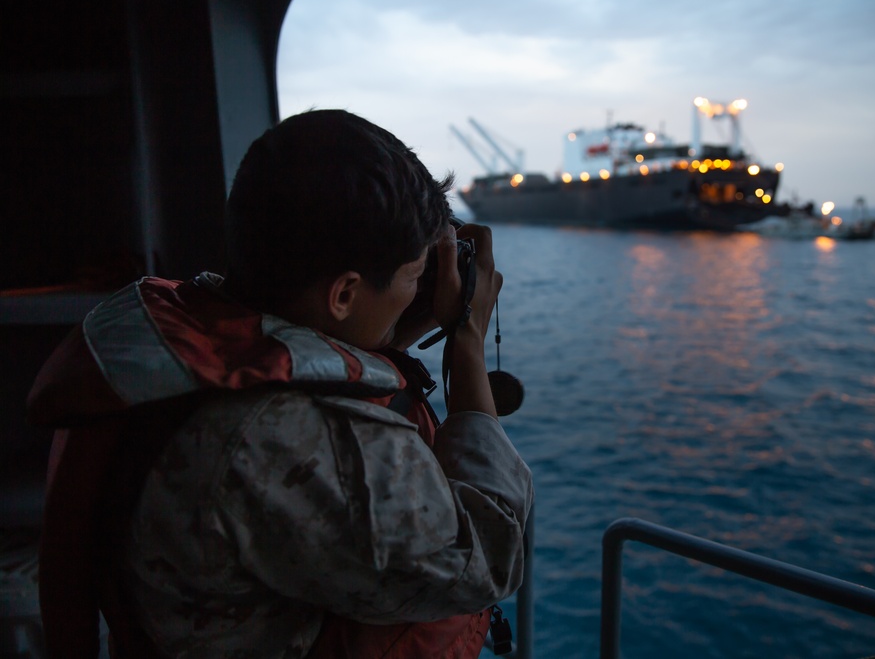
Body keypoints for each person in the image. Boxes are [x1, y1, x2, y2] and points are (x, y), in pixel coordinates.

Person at [28, 109, 533, 658]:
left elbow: (313, 336)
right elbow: (486, 557)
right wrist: (466, 342)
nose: (420, 291)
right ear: (343, 294)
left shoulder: (173, 359)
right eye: (415, 278)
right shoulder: (297, 436)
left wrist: (388, 313)